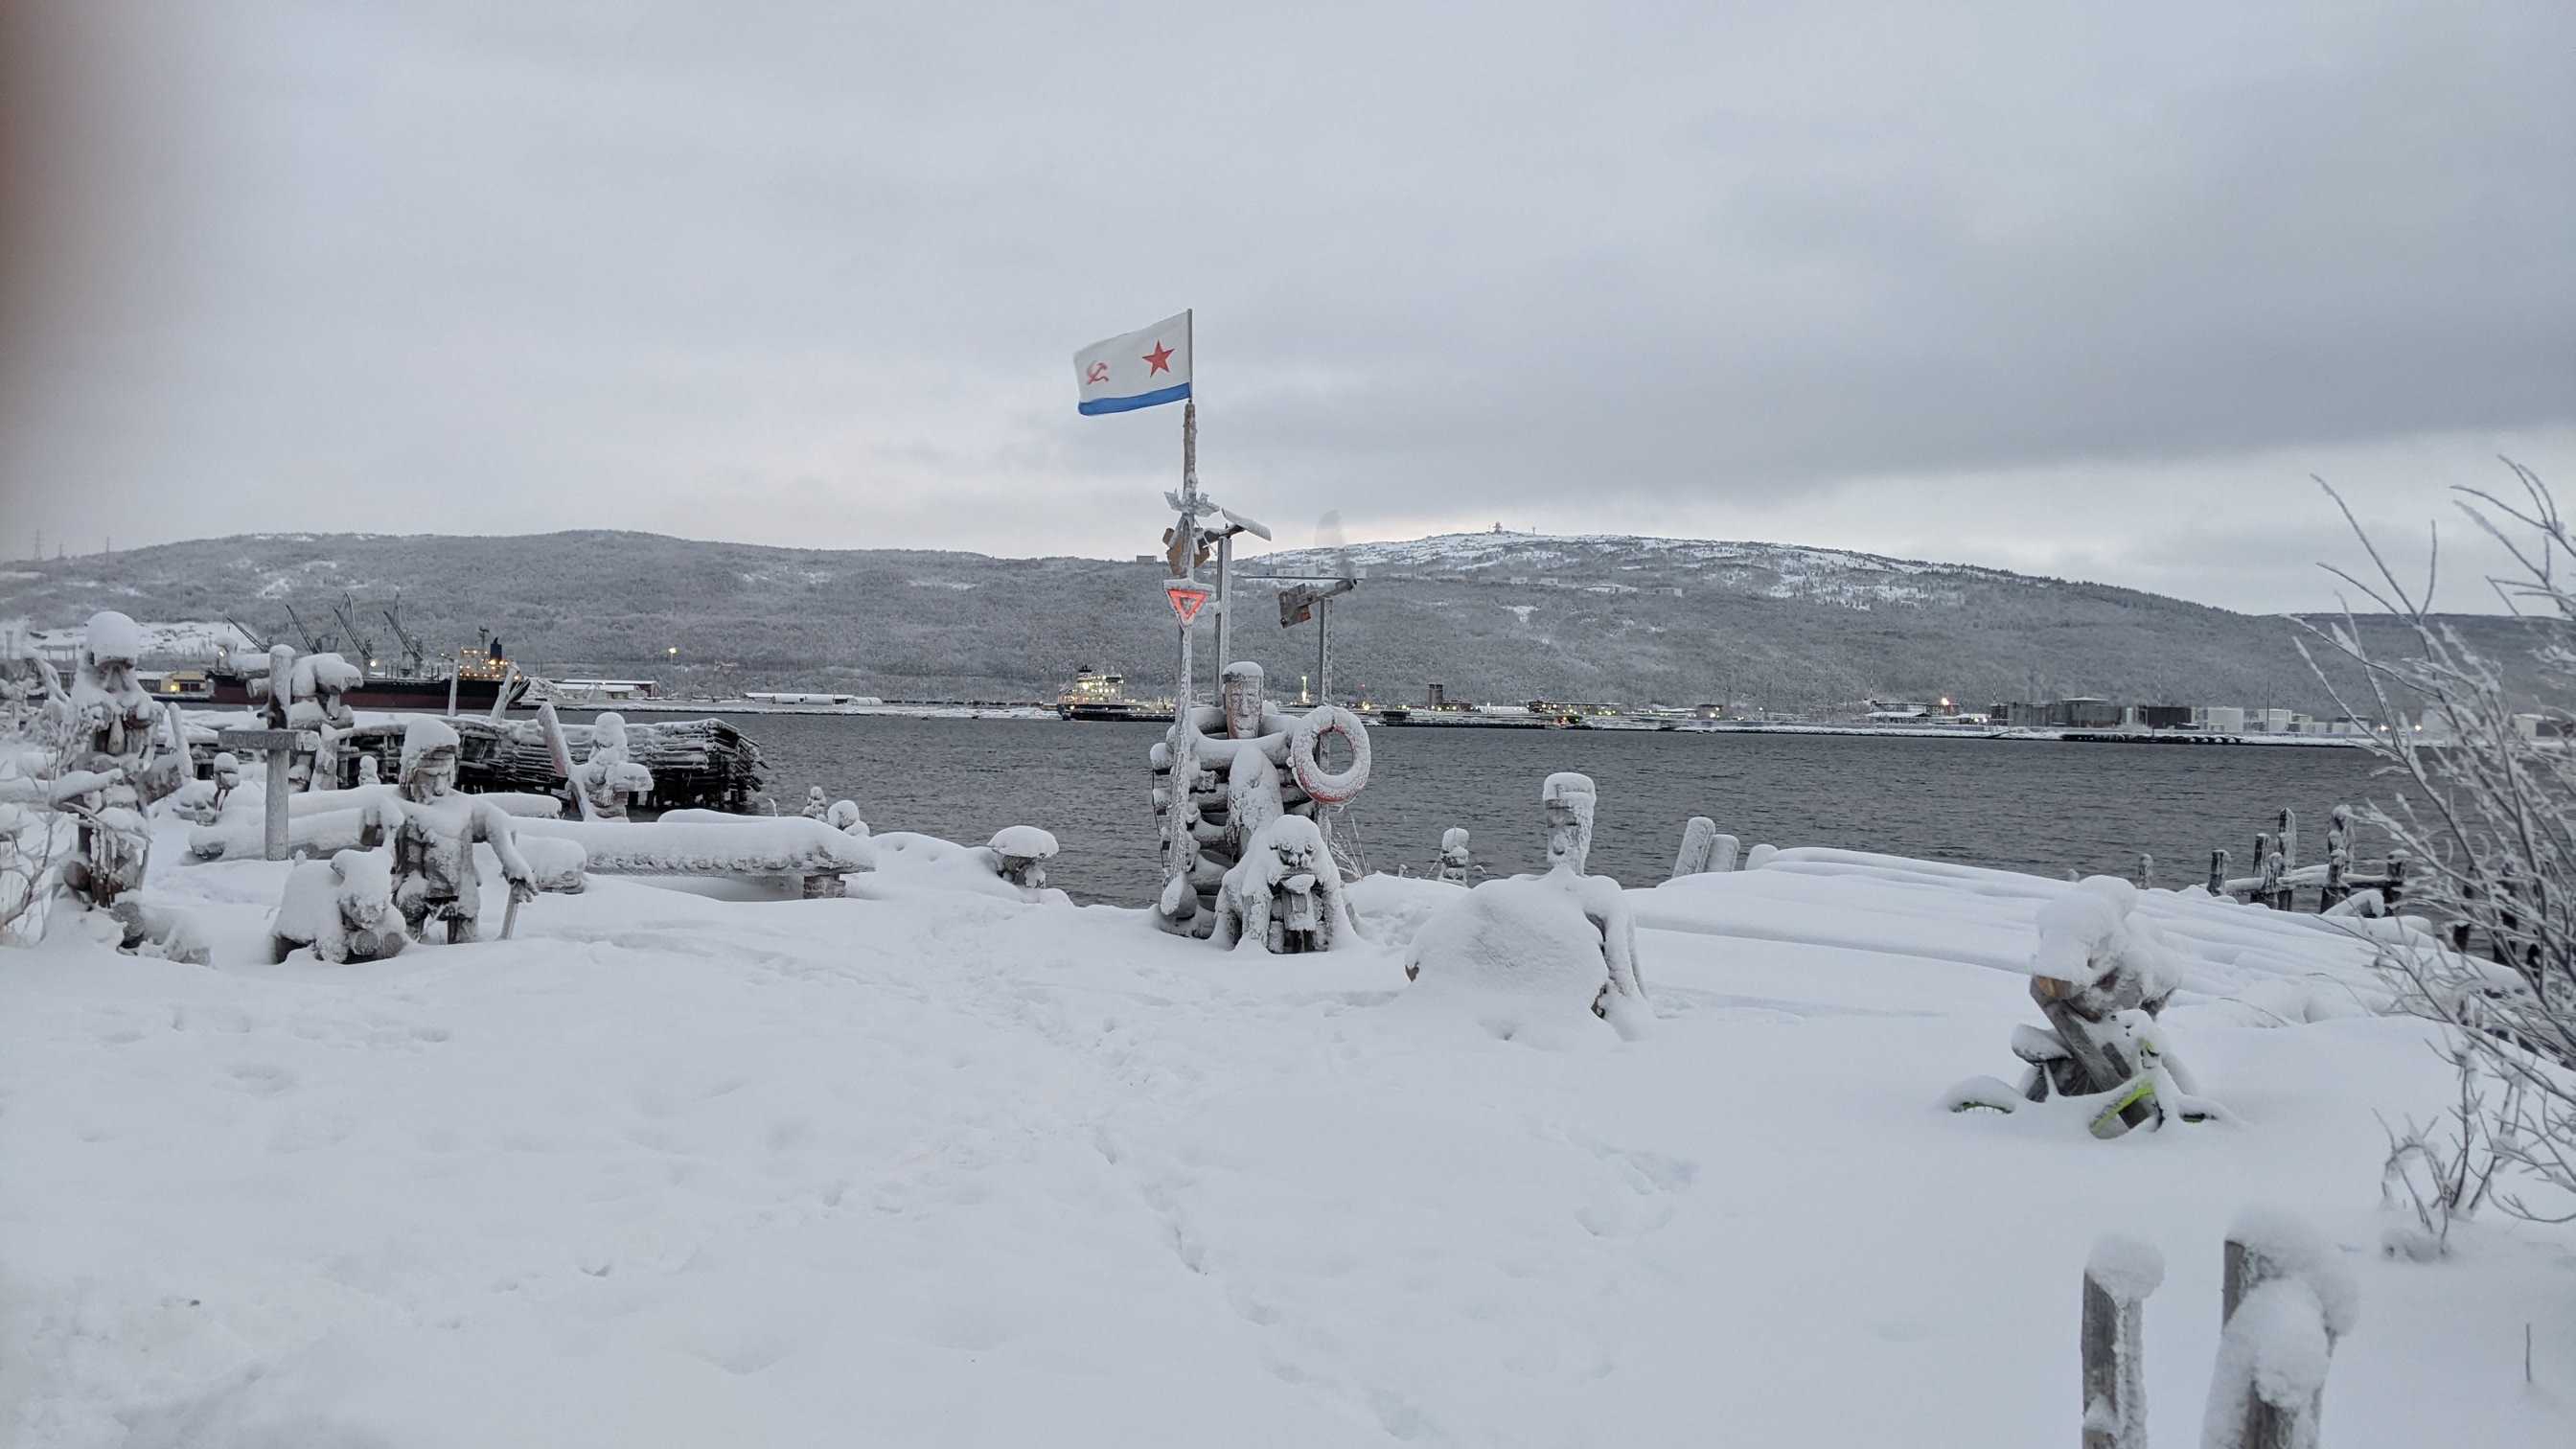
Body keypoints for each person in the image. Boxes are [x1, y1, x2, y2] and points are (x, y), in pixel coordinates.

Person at [388, 718, 535, 943]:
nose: (438, 785)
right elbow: (370, 838)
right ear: (411, 771)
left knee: (465, 946)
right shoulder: (396, 805)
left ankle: (465, 970)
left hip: (461, 889)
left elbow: (497, 825)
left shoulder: (464, 805)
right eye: (429, 775)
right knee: (400, 943)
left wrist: (512, 863)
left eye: (443, 775)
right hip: (414, 888)